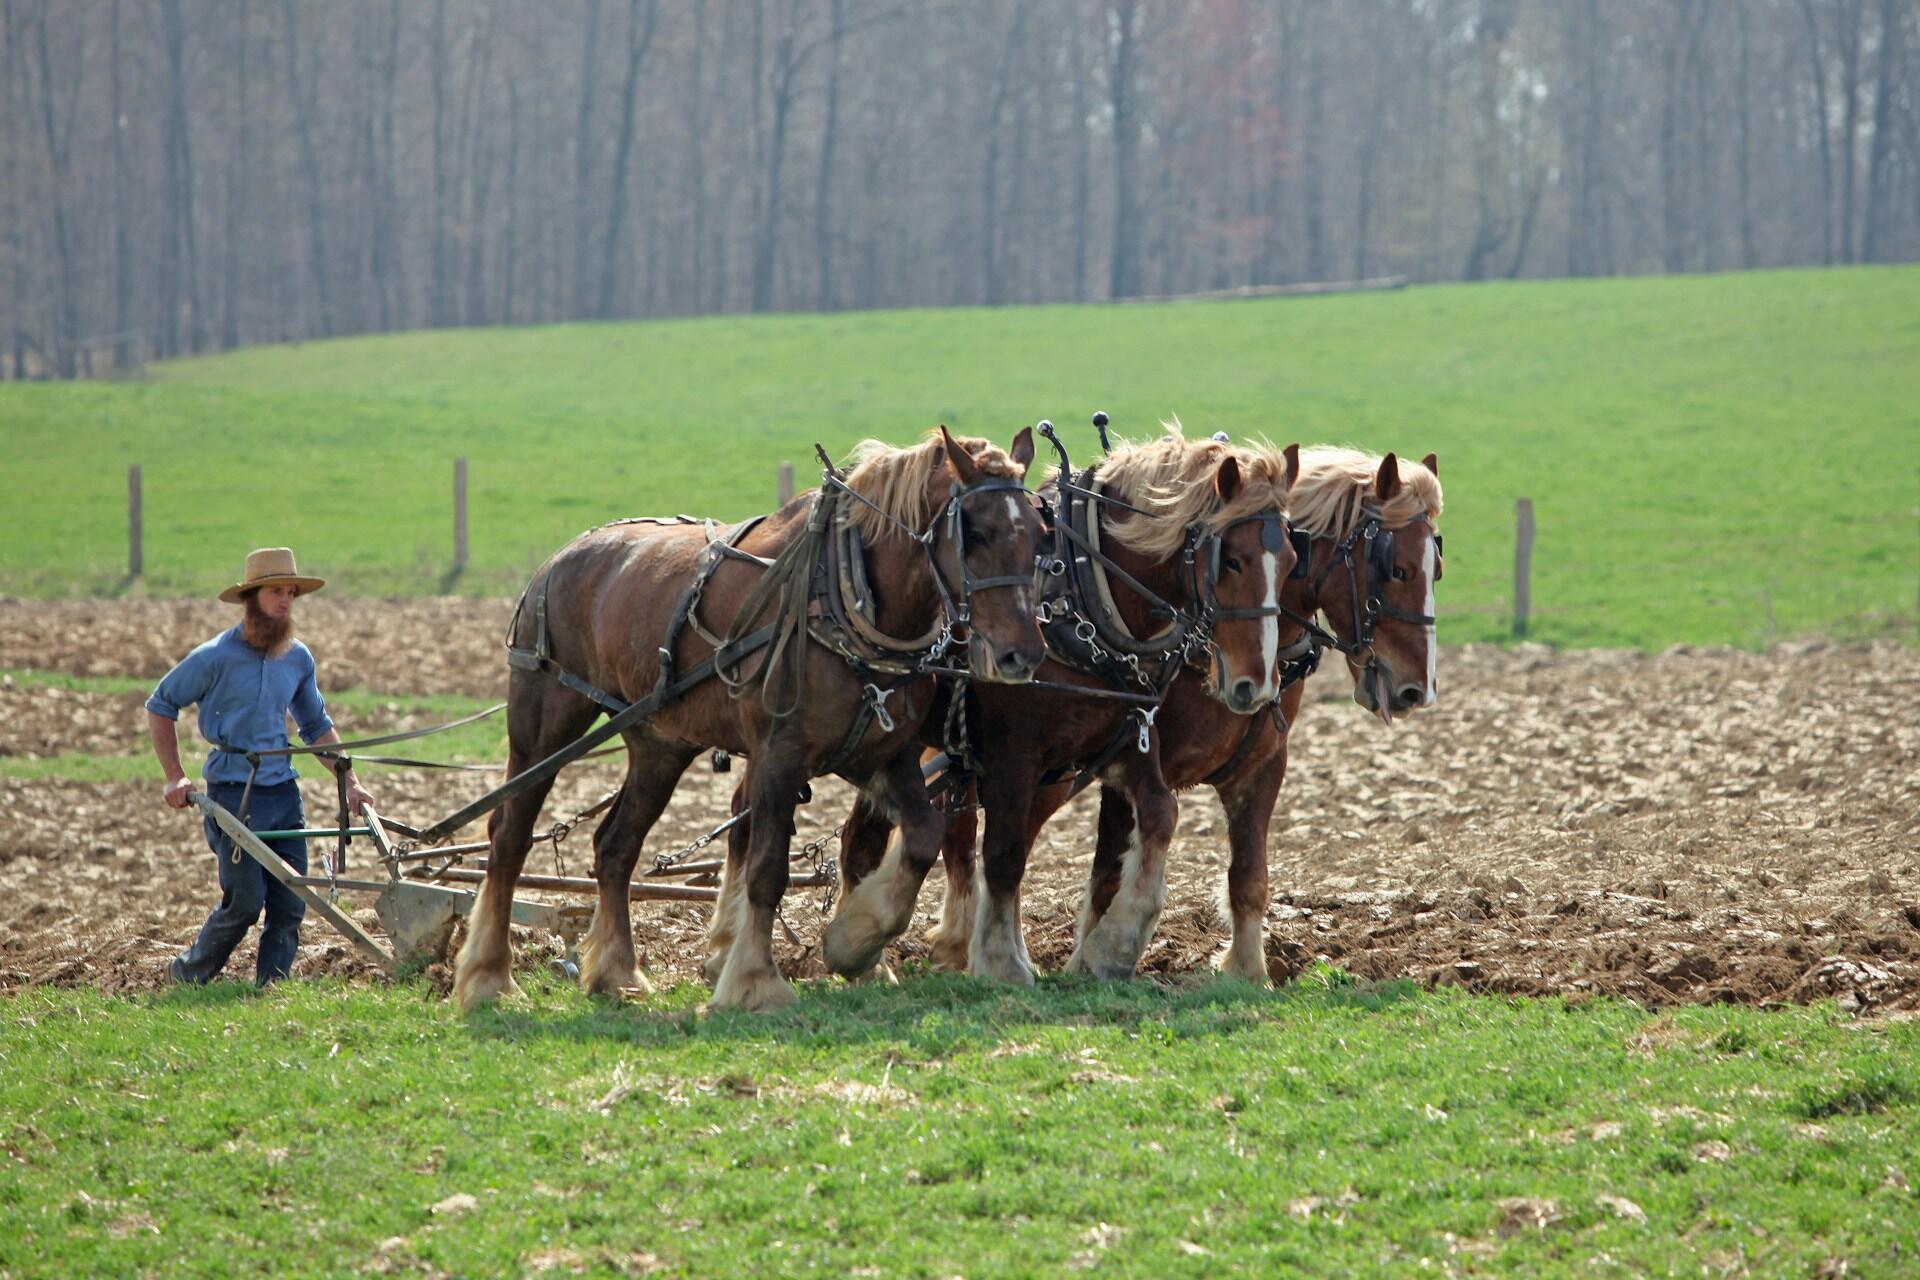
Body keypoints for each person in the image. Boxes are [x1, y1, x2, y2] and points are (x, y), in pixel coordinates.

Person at [146, 547, 375, 986]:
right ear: (252, 597)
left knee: (291, 902)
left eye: (291, 592)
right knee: (246, 901)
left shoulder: (298, 658)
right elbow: (161, 704)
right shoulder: (214, 656)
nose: (286, 600)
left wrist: (351, 784)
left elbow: (315, 726)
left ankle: (272, 987)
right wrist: (174, 774)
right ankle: (187, 974)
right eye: (276, 591)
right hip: (235, 793)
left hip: (283, 792)